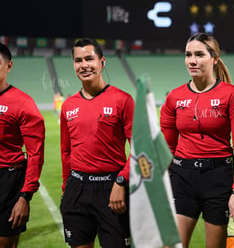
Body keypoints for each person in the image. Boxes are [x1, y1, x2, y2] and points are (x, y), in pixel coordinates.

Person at [160, 33, 234, 248]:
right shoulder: (174, 97)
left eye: (199, 54)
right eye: (188, 55)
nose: (192, 60)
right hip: (182, 177)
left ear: (214, 58)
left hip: (218, 179)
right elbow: (168, 147)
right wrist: (159, 186)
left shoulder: (231, 94)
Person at [60, 38, 134, 248]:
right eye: (78, 60)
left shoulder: (123, 100)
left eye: (89, 59)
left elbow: (139, 149)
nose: (84, 65)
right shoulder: (68, 105)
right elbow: (66, 152)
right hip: (77, 189)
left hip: (111, 188)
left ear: (102, 62)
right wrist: (67, 188)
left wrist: (121, 181)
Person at [0, 42, 45, 247]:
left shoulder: (23, 103)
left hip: (8, 181)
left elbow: (35, 154)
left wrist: (24, 196)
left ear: (9, 66)